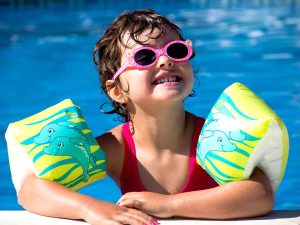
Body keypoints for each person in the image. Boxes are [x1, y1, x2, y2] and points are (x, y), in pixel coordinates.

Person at [17, 9, 274, 225]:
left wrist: (170, 204)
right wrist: (90, 209)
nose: (165, 62)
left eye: (175, 50)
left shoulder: (214, 139)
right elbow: (31, 190)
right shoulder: (117, 149)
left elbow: (260, 195)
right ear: (117, 91)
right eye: (145, 57)